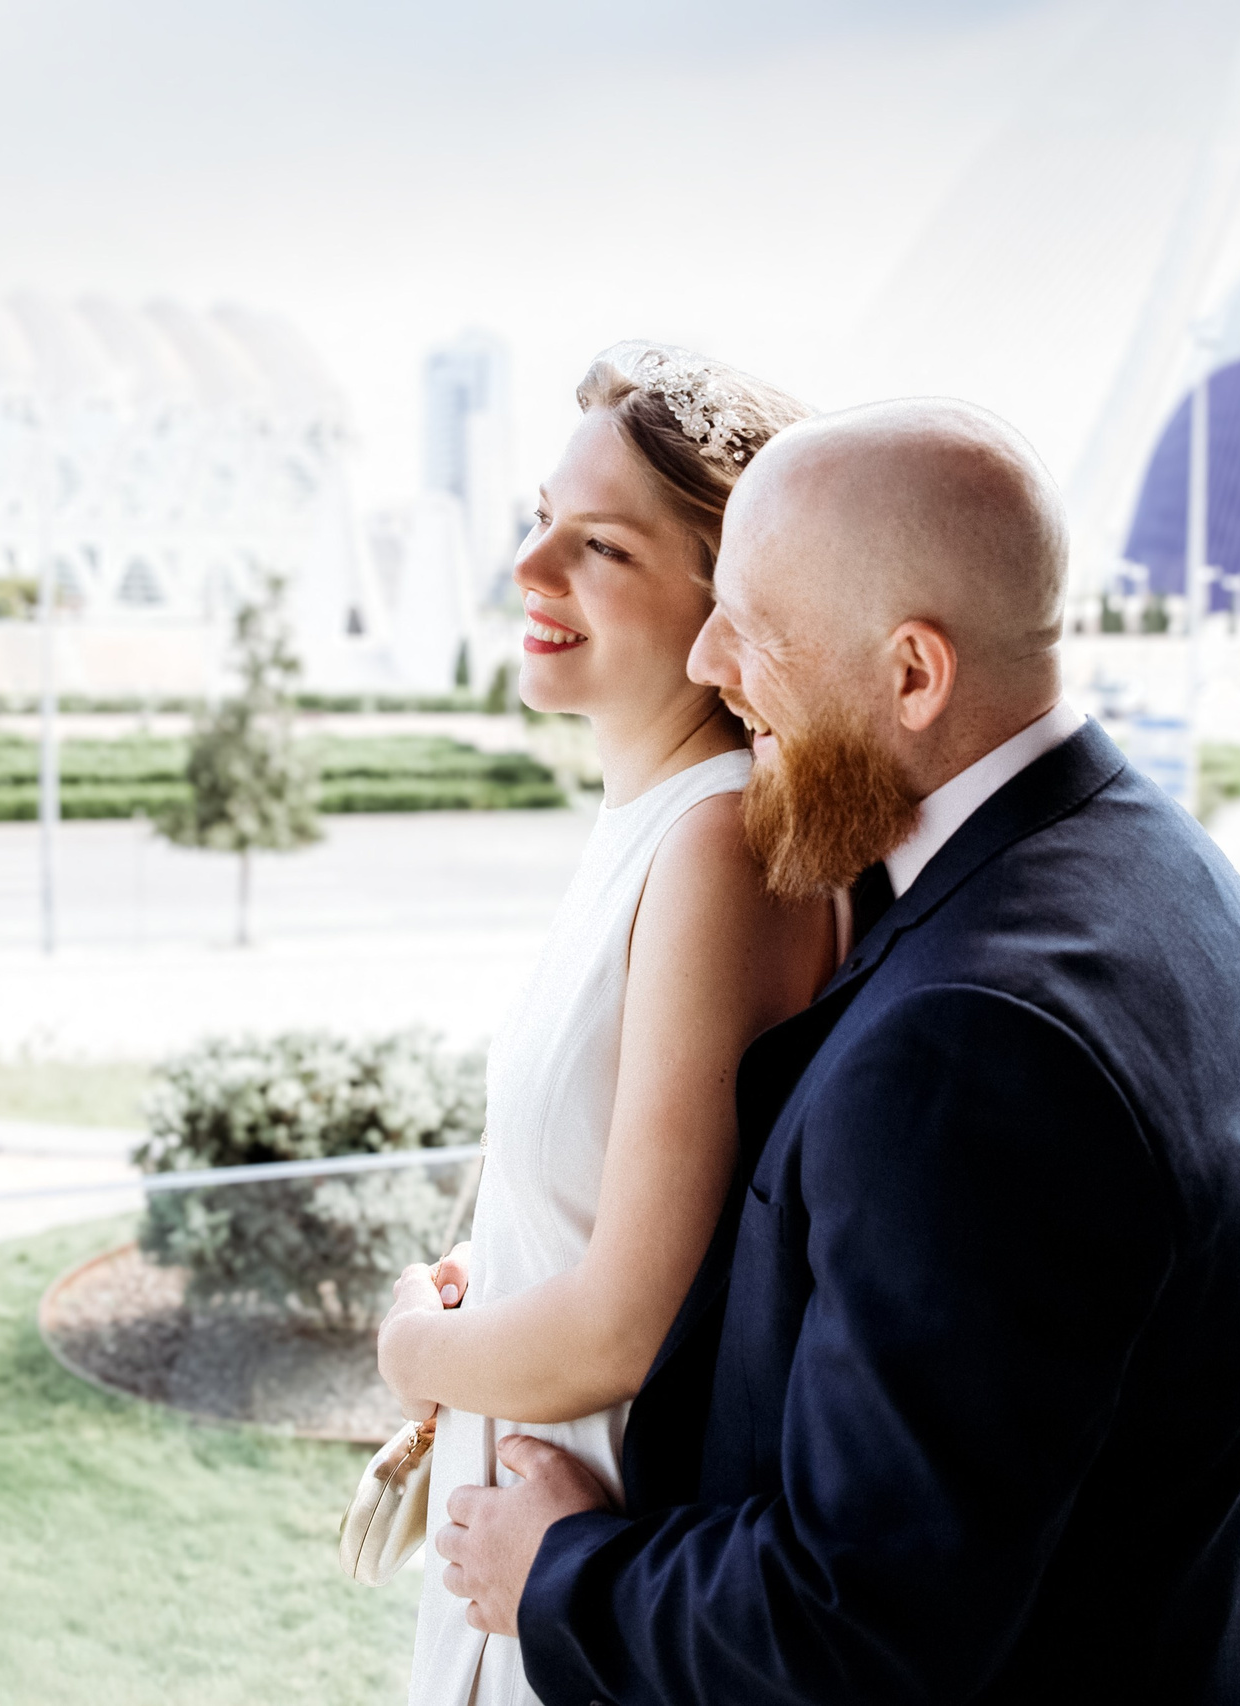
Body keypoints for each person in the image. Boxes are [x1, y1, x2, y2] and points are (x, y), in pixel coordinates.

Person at [431, 399, 1240, 1703]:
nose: (715, 662)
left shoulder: (975, 1043)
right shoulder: (1172, 876)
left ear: (914, 673)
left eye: (759, 627)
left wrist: (559, 1566)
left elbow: (861, 1622)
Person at [378, 342, 835, 1706]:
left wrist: (411, 1348)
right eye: (537, 523)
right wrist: (491, 1267)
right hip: (520, 1524)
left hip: (590, 1551)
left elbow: (629, 1320)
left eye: (601, 549)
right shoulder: (650, 822)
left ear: (723, 608)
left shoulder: (717, 848)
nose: (530, 572)